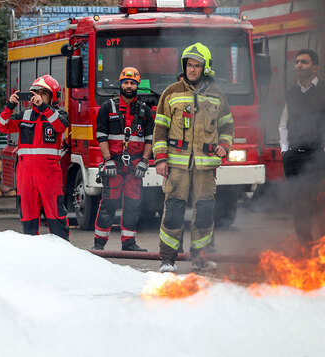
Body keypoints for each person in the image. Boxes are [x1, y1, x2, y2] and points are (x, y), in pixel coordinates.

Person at [153, 42, 234, 273]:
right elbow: (160, 128)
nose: (192, 69)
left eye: (197, 65)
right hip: (177, 169)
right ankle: (168, 260)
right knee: (173, 213)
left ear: (206, 68)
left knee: (205, 214)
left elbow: (227, 126)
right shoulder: (171, 92)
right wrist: (160, 159)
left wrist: (225, 146)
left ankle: (201, 259)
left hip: (206, 169)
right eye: (189, 65)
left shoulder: (218, 95)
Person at [278, 49, 325, 248]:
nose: (299, 65)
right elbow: (283, 124)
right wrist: (285, 150)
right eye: (297, 62)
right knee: (299, 205)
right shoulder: (291, 93)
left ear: (315, 68)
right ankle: (305, 249)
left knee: (324, 203)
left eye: (304, 62)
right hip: (295, 157)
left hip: (320, 156)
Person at [0, 75, 70, 240]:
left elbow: (61, 125)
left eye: (44, 92)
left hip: (49, 177)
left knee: (56, 217)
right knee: (28, 220)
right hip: (26, 178)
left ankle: (64, 258)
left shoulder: (58, 114)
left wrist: (43, 107)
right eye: (35, 92)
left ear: (53, 96)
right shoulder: (24, 116)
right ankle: (31, 260)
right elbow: (1, 125)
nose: (38, 95)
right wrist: (9, 106)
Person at [92, 67, 154, 251]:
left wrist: (144, 162)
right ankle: (98, 243)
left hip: (135, 165)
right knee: (108, 204)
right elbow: (101, 136)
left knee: (133, 204)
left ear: (137, 85)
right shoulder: (107, 108)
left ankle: (128, 243)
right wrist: (108, 160)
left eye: (132, 83)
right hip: (114, 163)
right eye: (126, 82)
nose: (129, 86)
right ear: (120, 84)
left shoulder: (145, 111)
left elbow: (149, 140)